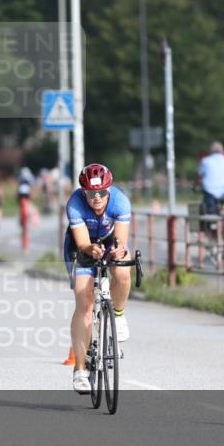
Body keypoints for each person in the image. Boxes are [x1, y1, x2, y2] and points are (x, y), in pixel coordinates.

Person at [64, 163, 132, 394]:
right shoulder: (74, 204)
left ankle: (119, 316)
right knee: (85, 303)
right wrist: (90, 249)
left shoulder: (120, 201)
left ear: (109, 190)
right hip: (81, 247)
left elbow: (121, 242)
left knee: (122, 272)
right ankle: (81, 370)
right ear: (84, 192)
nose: (97, 198)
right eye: (91, 194)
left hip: (110, 240)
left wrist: (117, 251)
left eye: (102, 193)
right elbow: (82, 243)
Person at [197, 142, 224, 216]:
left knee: (208, 210)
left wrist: (198, 184)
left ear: (210, 151)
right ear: (222, 151)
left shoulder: (205, 161)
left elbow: (199, 176)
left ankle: (210, 220)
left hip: (210, 192)